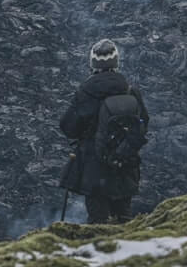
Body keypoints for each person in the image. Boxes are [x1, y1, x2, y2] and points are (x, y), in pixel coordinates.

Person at [59, 38, 149, 224]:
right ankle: (129, 250)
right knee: (124, 218)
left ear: (93, 64)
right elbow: (143, 124)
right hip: (125, 164)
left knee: (98, 220)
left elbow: (68, 127)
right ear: (116, 63)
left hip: (95, 168)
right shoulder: (131, 91)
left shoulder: (86, 94)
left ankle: (101, 250)